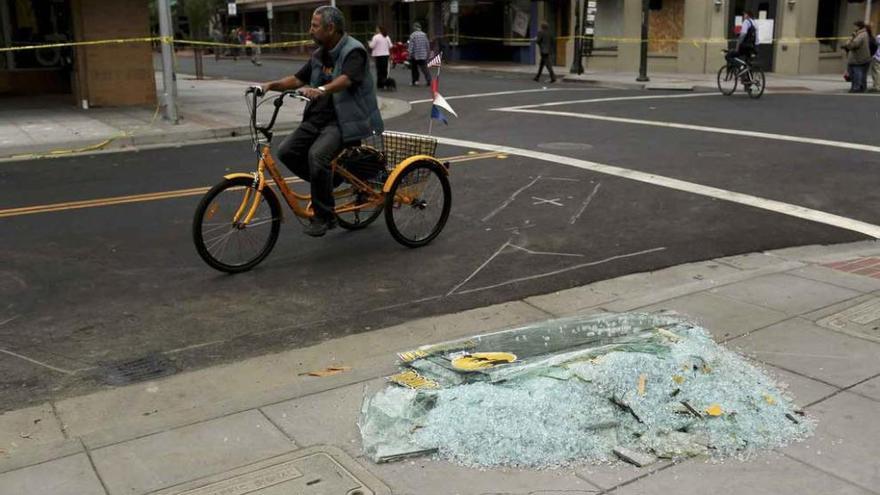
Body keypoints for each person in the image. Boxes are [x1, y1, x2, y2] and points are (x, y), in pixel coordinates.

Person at [259, 6, 384, 237]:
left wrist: (321, 89)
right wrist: (269, 86)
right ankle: (328, 181)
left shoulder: (354, 51)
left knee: (317, 156)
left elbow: (347, 79)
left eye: (315, 26)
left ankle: (325, 216)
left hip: (344, 122)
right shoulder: (319, 53)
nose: (310, 30)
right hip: (317, 118)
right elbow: (297, 79)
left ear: (330, 28)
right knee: (287, 151)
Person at [726, 10, 758, 82]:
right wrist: (755, 49)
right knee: (748, 65)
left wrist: (737, 45)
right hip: (752, 47)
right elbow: (757, 38)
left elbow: (743, 34)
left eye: (744, 15)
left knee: (728, 56)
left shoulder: (746, 22)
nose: (743, 16)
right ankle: (748, 83)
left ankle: (740, 66)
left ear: (747, 15)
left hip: (745, 47)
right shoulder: (755, 23)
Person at [843, 21, 872, 93]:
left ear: (859, 26)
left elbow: (853, 45)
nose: (854, 27)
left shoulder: (861, 35)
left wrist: (850, 40)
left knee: (856, 73)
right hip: (862, 58)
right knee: (860, 74)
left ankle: (856, 88)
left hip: (858, 59)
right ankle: (861, 87)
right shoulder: (862, 34)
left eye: (855, 26)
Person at [870, 27, 880, 92]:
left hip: (878, 57)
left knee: (876, 72)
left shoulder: (879, 37)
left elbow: (875, 43)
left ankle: (877, 86)